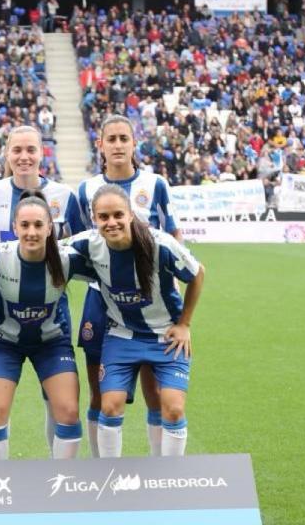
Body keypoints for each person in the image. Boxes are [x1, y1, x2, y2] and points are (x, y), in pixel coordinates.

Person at [67, 184, 204, 457]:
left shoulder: (160, 244)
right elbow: (46, 248)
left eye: (118, 214)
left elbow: (197, 273)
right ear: (94, 219)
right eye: (103, 217)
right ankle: (109, 473)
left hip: (166, 336)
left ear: (130, 214)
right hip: (121, 335)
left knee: (173, 408)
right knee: (109, 406)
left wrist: (184, 324)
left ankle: (167, 474)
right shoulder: (88, 243)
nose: (112, 222)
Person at [76, 115, 180, 457]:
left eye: (124, 138)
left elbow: (173, 237)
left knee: (155, 392)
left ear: (134, 143)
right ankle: (101, 469)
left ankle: (158, 471)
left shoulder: (155, 184)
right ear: (100, 145)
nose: (118, 145)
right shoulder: (86, 189)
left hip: (150, 303)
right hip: (100, 301)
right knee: (100, 395)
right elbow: (77, 244)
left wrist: (174, 295)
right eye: (112, 139)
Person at [0, 125, 84, 454]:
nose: (24, 156)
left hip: (52, 322)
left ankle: (60, 478)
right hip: (3, 321)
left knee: (62, 407)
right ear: (7, 154)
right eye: (17, 150)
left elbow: (81, 248)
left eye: (31, 150)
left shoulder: (64, 196)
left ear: (42, 153)